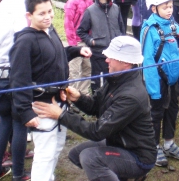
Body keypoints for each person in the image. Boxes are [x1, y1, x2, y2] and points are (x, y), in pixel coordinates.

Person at [32, 36, 157, 181]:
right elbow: (95, 107)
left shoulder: (131, 95)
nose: (106, 60)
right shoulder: (116, 79)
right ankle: (121, 175)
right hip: (119, 143)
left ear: (126, 63)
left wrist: (61, 115)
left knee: (90, 158)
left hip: (138, 156)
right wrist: (78, 98)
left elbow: (97, 131)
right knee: (76, 154)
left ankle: (131, 172)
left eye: (111, 57)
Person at [9, 0, 92, 181]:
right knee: (45, 154)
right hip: (41, 107)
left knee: (56, 147)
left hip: (60, 102)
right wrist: (25, 111)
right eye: (42, 13)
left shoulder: (50, 30)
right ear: (29, 16)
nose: (48, 17)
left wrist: (77, 50)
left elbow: (57, 54)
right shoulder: (24, 41)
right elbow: (18, 78)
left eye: (49, 11)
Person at [141, 0, 179, 168]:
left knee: (172, 111)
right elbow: (147, 61)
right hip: (158, 81)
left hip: (173, 80)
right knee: (156, 113)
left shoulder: (175, 27)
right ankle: (153, 147)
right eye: (165, 7)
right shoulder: (150, 30)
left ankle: (169, 143)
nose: (169, 10)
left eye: (171, 6)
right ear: (154, 8)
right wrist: (153, 90)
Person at [0, 0, 30, 181]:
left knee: (4, 122)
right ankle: (18, 173)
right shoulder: (20, 24)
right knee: (20, 123)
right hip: (16, 77)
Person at [77, 0, 126, 93]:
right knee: (99, 85)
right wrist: (91, 41)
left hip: (116, 54)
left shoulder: (116, 9)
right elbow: (81, 31)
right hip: (99, 55)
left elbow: (122, 29)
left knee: (116, 83)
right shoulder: (90, 11)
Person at [64, 0, 94, 95]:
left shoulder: (89, 0)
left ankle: (83, 93)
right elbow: (68, 24)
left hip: (87, 40)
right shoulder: (72, 2)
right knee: (74, 70)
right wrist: (72, 43)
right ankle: (71, 95)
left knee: (88, 68)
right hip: (76, 41)